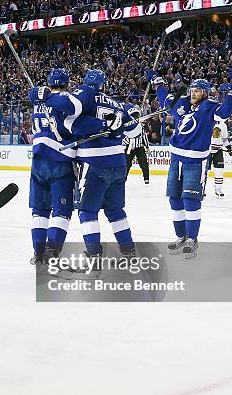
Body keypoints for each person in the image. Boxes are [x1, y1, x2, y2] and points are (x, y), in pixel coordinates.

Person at [32, 69, 137, 262]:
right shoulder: (117, 104)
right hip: (119, 163)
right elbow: (135, 132)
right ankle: (129, 251)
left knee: (87, 211)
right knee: (115, 211)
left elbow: (70, 119)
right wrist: (127, 116)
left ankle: (94, 254)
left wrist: (46, 95)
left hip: (94, 163)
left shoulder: (86, 94)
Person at [148, 68, 232, 258]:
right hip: (176, 158)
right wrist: (157, 81)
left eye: (197, 90)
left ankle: (192, 238)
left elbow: (225, 112)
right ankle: (181, 236)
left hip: (195, 161)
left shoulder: (210, 107)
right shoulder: (181, 103)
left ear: (205, 93)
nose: (193, 93)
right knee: (174, 199)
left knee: (190, 200)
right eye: (192, 89)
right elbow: (165, 97)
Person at [27, 68, 77, 273]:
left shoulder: (38, 100)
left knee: (39, 210)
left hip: (38, 161)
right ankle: (52, 252)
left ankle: (38, 253)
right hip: (60, 161)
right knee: (62, 211)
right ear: (67, 84)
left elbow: (34, 95)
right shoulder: (66, 101)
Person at [207, 121, 232, 198]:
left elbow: (224, 140)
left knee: (219, 170)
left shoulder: (223, 125)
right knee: (204, 171)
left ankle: (218, 189)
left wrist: (230, 149)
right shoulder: (207, 121)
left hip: (218, 151)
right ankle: (202, 189)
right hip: (207, 151)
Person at [122, 103, 150, 184]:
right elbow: (124, 137)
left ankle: (146, 179)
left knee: (143, 163)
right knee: (127, 163)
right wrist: (127, 144)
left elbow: (144, 136)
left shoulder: (140, 126)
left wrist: (147, 147)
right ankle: (124, 178)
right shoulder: (126, 126)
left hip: (139, 147)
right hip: (129, 147)